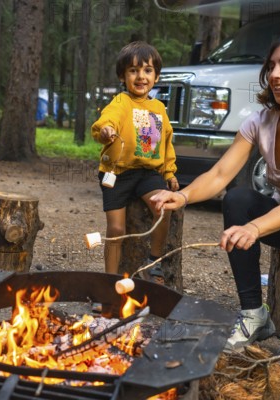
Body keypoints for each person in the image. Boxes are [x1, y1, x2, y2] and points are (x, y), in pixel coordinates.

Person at [151, 32, 280, 370]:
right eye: (273, 65)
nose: (275, 74)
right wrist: (183, 195)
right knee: (237, 198)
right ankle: (254, 314)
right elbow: (222, 174)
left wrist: (254, 228)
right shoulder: (261, 121)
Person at [91, 41, 179, 285]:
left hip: (148, 173)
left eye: (148, 70)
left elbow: (166, 142)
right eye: (133, 70)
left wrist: (169, 172)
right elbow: (107, 121)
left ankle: (155, 262)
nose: (141, 76)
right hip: (116, 173)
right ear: (123, 75)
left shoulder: (158, 108)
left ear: (156, 76)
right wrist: (106, 130)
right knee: (116, 230)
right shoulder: (121, 102)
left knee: (162, 209)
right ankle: (109, 281)